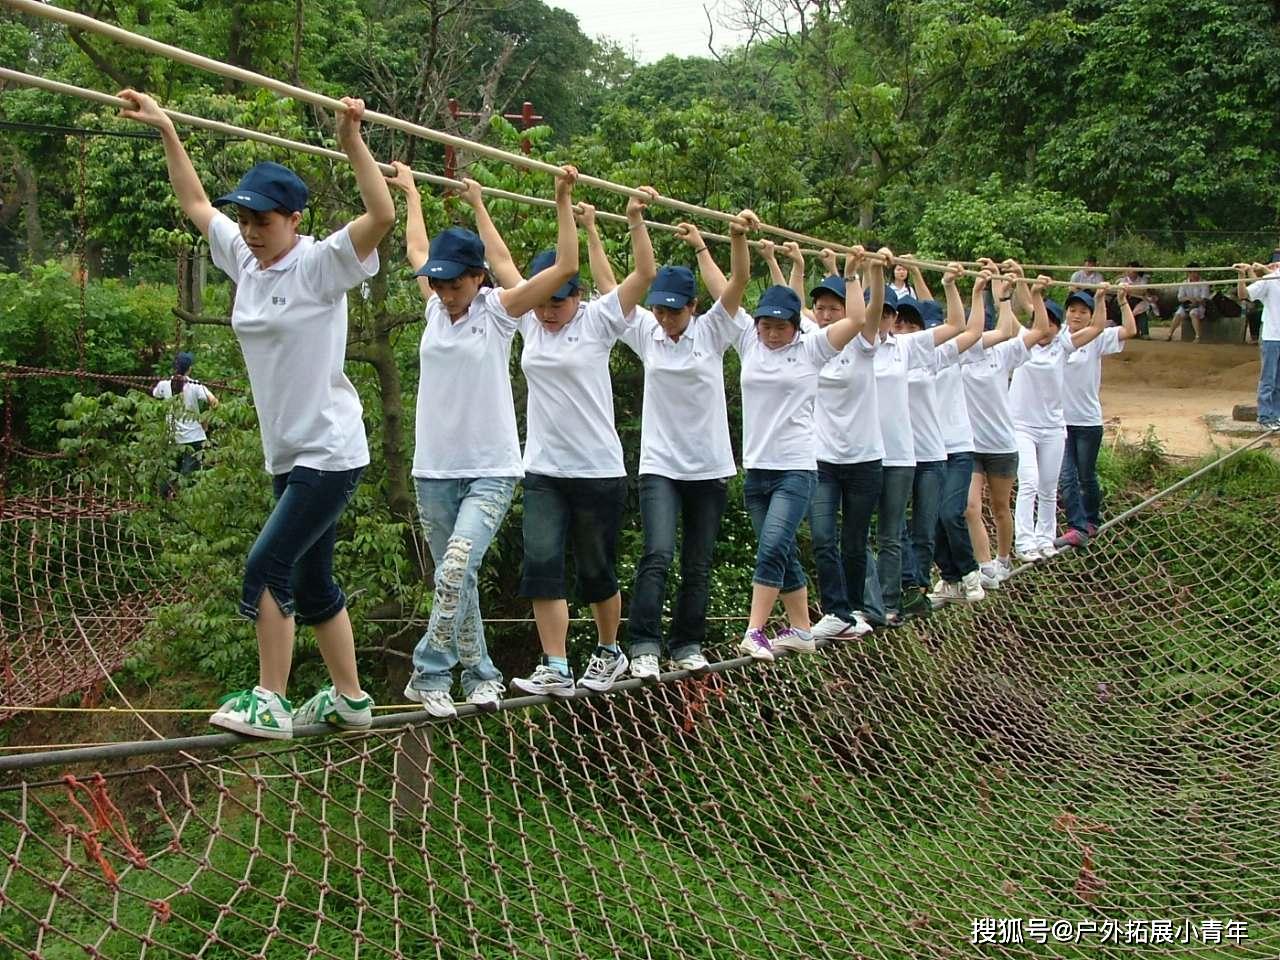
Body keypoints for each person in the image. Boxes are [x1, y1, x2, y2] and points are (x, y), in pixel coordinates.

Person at [118, 89, 393, 739]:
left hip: (328, 449)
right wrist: (166, 126)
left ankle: (270, 699)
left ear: (295, 219)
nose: (249, 229)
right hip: (288, 452)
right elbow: (193, 203)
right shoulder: (242, 258)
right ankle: (351, 699)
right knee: (312, 578)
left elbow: (381, 213)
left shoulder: (321, 266)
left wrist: (352, 140)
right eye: (245, 217)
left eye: (264, 220)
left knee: (266, 566)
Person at [387, 164, 580, 717]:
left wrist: (562, 198)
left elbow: (565, 266)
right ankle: (482, 676)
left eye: (455, 283)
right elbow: (417, 248)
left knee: (455, 567)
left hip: (492, 468)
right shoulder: (434, 306)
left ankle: (428, 672)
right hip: (433, 470)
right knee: (459, 580)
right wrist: (411, 193)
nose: (446, 293)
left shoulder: (499, 311)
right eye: (440, 284)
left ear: (478, 279)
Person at [506, 187, 659, 696]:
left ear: (577, 296)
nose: (548, 312)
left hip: (597, 469)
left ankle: (609, 650)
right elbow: (501, 260)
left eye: (559, 301)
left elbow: (643, 276)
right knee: (542, 563)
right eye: (543, 301)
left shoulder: (598, 320)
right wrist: (479, 201)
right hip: (545, 468)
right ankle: (555, 663)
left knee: (596, 569)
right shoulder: (528, 319)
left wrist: (632, 219)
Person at [618, 221, 749, 680]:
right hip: (660, 465)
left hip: (709, 466)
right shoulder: (646, 334)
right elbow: (609, 287)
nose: (665, 319)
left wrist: (726, 241)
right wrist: (609, 224)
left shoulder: (713, 331)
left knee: (698, 560)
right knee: (657, 552)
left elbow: (738, 283)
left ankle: (687, 641)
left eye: (674, 311)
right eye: (659, 310)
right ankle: (644, 643)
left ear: (693, 308)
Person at [736, 242, 875, 661]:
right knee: (782, 551)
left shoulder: (811, 349)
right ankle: (800, 628)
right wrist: (737, 241)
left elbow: (855, 319)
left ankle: (754, 630)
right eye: (766, 324)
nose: (772, 332)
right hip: (756, 470)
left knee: (772, 545)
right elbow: (726, 288)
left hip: (796, 469)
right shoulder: (748, 342)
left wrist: (852, 274)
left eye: (781, 325)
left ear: (798, 326)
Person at [799, 246, 880, 641]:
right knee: (823, 535)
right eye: (821, 308)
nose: (827, 314)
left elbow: (868, 312)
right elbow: (789, 300)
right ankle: (836, 610)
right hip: (823, 458)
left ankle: (855, 609)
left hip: (865, 458)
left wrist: (861, 273)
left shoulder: (864, 343)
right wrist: (792, 263)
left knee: (854, 541)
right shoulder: (813, 341)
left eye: (834, 308)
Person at [889, 263, 972, 615]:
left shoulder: (932, 357)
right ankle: (908, 585)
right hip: (898, 457)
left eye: (912, 324)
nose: (905, 328)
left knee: (924, 528)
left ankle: (919, 587)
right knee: (897, 529)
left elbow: (965, 328)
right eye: (900, 322)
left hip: (932, 455)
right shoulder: (882, 353)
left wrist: (954, 286)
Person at [962, 261, 1048, 588]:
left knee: (1000, 508)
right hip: (970, 446)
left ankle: (1003, 559)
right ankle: (984, 566)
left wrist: (1020, 296)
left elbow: (1038, 331)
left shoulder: (1004, 353)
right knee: (970, 507)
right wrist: (976, 292)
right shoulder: (960, 354)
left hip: (1000, 444)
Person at [1008, 279, 1108, 562]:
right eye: (1042, 322)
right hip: (1022, 426)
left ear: (1057, 327)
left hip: (1053, 427)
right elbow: (1010, 312)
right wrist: (1005, 289)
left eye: (1052, 323)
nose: (1046, 328)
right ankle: (1024, 541)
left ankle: (1044, 538)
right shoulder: (1022, 343)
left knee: (1049, 487)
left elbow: (1098, 327)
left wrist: (1100, 297)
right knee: (1029, 482)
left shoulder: (1062, 345)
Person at [927, 267, 997, 606]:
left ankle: (970, 573)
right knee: (931, 519)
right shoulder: (901, 356)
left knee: (950, 513)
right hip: (927, 451)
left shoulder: (949, 354)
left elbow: (972, 329)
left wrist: (965, 290)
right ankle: (951, 577)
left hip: (957, 448)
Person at [1058, 284, 1136, 548]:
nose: (1077, 315)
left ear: (1092, 316)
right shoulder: (1057, 337)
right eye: (1072, 310)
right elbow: (1031, 310)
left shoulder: (1097, 338)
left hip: (1088, 421)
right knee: (1066, 476)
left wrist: (1121, 301)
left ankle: (1091, 521)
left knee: (1086, 476)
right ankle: (1077, 526)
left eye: (1083, 311)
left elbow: (1130, 331)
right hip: (1059, 421)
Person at [152, 350, 218, 495]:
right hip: (194, 437)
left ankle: (163, 502)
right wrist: (204, 419)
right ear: (189, 368)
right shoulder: (194, 385)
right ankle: (185, 505)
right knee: (189, 477)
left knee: (169, 473)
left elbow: (155, 394)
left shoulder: (164, 385)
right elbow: (214, 402)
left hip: (173, 437)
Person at [1237, 253, 1280, 429]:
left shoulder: (1271, 277)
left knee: (1279, 381)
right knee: (1268, 379)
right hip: (1271, 337)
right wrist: (1242, 276)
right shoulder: (1269, 280)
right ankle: (1265, 417)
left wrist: (1262, 270)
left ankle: (1276, 415)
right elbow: (1245, 294)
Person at [1168, 266, 1209, 342]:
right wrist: (1189, 299)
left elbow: (1204, 298)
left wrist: (1196, 301)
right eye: (1193, 272)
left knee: (1193, 313)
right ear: (1189, 273)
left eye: (1196, 272)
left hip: (1200, 306)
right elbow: (1180, 298)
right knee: (1178, 314)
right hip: (1186, 305)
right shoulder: (1184, 283)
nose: (1195, 274)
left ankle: (1198, 336)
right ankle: (1170, 334)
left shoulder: (1204, 283)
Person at [1121, 263, 1153, 339]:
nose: (1130, 271)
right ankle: (1125, 331)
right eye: (1129, 270)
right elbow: (1121, 290)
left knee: (1142, 311)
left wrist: (1130, 290)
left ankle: (1144, 333)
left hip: (1139, 300)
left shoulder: (1142, 280)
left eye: (1133, 270)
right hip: (1126, 299)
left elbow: (1142, 291)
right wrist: (1133, 290)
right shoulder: (1123, 279)